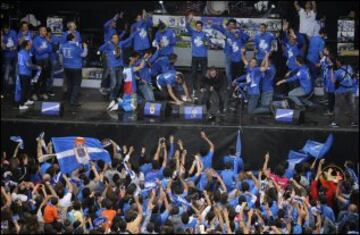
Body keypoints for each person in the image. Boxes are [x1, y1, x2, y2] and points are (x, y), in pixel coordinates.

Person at [99, 33, 134, 108]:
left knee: (119, 83)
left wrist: (135, 32)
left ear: (118, 39)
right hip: (112, 67)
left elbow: (129, 39)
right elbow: (100, 49)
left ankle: (112, 95)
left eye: (116, 38)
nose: (115, 39)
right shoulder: (108, 45)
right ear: (111, 39)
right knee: (114, 83)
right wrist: (106, 43)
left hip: (120, 66)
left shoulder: (121, 44)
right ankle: (111, 97)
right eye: (113, 38)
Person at [59, 33, 88, 107]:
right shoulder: (76, 47)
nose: (77, 38)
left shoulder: (63, 46)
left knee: (70, 84)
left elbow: (60, 57)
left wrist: (63, 65)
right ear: (72, 39)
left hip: (67, 68)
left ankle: (69, 99)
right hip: (76, 68)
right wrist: (85, 48)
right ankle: (73, 101)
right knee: (76, 85)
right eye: (75, 37)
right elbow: (84, 55)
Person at [186, 13, 209, 98]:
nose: (199, 27)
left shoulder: (205, 34)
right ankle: (195, 88)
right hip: (195, 56)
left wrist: (205, 42)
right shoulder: (193, 32)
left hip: (203, 57)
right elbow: (187, 26)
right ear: (196, 27)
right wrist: (190, 19)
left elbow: (207, 45)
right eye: (197, 26)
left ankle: (202, 87)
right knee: (193, 73)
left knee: (204, 73)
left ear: (202, 27)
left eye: (200, 26)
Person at [329, 58, 357, 127]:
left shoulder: (337, 72)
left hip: (341, 91)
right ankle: (354, 122)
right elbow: (353, 76)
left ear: (339, 62)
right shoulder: (349, 67)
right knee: (351, 106)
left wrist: (331, 69)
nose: (336, 63)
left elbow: (333, 81)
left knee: (338, 107)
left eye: (336, 62)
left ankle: (336, 123)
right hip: (350, 89)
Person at [16, 40, 39, 110]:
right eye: (29, 44)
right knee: (24, 89)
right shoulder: (25, 53)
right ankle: (21, 104)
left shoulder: (22, 52)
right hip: (25, 73)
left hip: (24, 73)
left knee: (28, 88)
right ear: (26, 45)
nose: (30, 46)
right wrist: (37, 67)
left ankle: (26, 100)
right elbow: (28, 65)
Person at [32, 26, 52, 101]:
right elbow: (38, 51)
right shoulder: (36, 39)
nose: (45, 32)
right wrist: (45, 49)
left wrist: (44, 48)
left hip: (46, 60)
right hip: (39, 61)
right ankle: (35, 94)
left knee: (45, 77)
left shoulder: (47, 39)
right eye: (43, 31)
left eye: (46, 31)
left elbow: (50, 49)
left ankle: (43, 93)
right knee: (38, 78)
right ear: (40, 31)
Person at [1, 24, 18, 98]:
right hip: (7, 57)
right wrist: (9, 48)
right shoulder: (2, 35)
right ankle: (5, 92)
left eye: (7, 28)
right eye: (5, 29)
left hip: (15, 56)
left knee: (15, 74)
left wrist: (14, 47)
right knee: (6, 74)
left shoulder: (13, 32)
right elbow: (3, 47)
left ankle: (14, 90)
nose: (6, 30)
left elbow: (16, 43)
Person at [318, 47, 335, 116]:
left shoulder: (330, 61)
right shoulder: (327, 58)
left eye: (325, 50)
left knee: (331, 96)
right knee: (330, 96)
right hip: (328, 81)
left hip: (330, 83)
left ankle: (331, 111)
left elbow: (330, 67)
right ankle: (330, 109)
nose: (323, 51)